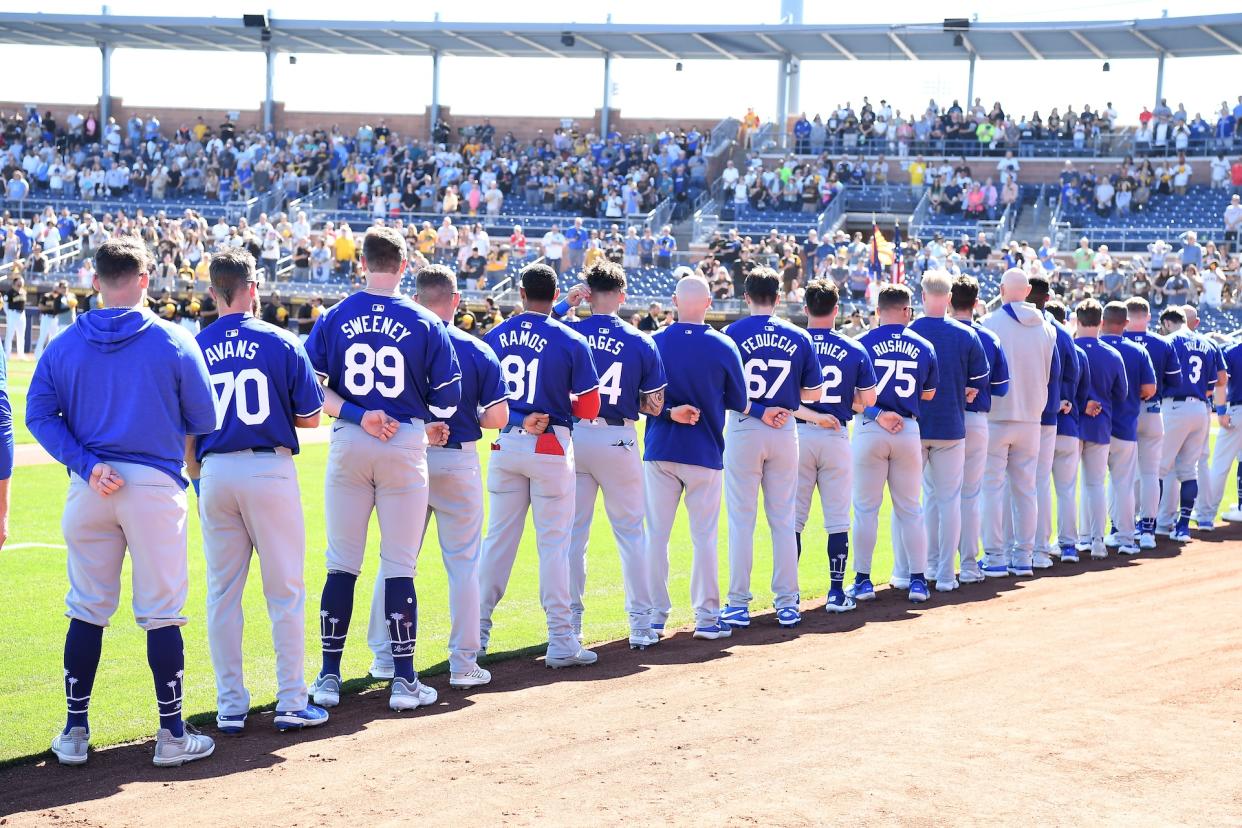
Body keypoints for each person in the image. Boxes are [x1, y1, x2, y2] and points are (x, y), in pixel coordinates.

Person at [26, 237, 218, 767]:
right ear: (145, 278)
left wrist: (87, 463)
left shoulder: (63, 344)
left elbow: (38, 415)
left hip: (90, 486)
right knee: (161, 614)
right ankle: (172, 736)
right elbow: (204, 420)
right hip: (153, 486)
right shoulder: (175, 339)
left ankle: (73, 732)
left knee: (86, 609)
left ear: (94, 280)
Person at [304, 226, 463, 713]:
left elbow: (313, 389)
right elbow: (450, 399)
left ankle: (329, 676)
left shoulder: (335, 315)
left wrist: (357, 413)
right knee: (399, 565)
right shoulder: (424, 320)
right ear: (404, 265)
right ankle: (404, 681)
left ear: (363, 263)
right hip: (404, 440)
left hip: (352, 438)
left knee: (341, 564)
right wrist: (423, 423)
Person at [187, 249, 328, 734]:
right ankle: (291, 700)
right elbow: (310, 417)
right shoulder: (282, 340)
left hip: (214, 471)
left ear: (213, 291)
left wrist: (197, 476)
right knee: (285, 588)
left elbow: (184, 429)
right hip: (268, 468)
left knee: (222, 594)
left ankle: (229, 706)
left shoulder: (194, 346)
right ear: (254, 287)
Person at [364, 264, 508, 690]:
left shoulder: (402, 337)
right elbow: (499, 416)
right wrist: (472, 415)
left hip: (407, 455)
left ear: (415, 297)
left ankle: (385, 658)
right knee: (463, 564)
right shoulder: (476, 347)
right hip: (458, 459)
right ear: (455, 301)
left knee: (395, 560)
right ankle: (463, 662)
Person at [479, 263, 601, 669]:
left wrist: (516, 417)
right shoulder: (569, 337)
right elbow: (589, 406)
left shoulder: (495, 336)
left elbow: (482, 401)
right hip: (550, 444)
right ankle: (561, 640)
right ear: (554, 295)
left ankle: (473, 635)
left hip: (506, 444)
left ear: (520, 291)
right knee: (554, 546)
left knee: (496, 543)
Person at [552, 261, 668, 647]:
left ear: (588, 293)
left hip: (576, 437)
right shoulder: (640, 339)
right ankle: (639, 624)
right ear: (622, 295)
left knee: (573, 536)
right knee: (632, 534)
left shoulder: (569, 330)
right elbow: (653, 406)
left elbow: (541, 328)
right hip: (618, 437)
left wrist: (563, 306)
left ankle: (572, 626)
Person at [645, 275, 748, 640]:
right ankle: (706, 617)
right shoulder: (723, 345)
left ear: (674, 300)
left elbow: (641, 400)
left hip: (660, 449)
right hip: (704, 451)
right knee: (704, 537)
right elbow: (742, 403)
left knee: (656, 535)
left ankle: (654, 617)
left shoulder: (654, 341)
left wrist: (669, 410)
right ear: (708, 303)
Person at [720, 267, 823, 628]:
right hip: (784, 427)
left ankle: (737, 603)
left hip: (746, 426)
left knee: (741, 520)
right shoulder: (799, 336)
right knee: (782, 519)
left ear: (746, 297)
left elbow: (723, 391)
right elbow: (815, 393)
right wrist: (786, 401)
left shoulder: (731, 334)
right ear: (779, 298)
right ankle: (787, 601)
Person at [893, 270, 989, 592]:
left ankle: (907, 571)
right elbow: (977, 386)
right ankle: (946, 574)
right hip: (951, 426)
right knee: (949, 502)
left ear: (922, 297)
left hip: (913, 427)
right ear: (949, 298)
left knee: (909, 503)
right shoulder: (967, 334)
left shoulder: (909, 332)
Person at [848, 284, 939, 604]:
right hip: (907, 428)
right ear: (905, 311)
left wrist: (877, 412)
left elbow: (849, 397)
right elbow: (928, 394)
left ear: (878, 310)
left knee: (865, 510)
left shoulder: (860, 343)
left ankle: (862, 580)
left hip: (870, 428)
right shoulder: (924, 344)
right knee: (910, 509)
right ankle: (917, 580)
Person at [793, 279, 877, 613]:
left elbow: (787, 396)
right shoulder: (854, 348)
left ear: (805, 309)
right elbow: (868, 400)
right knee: (838, 518)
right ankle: (836, 592)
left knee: (794, 519)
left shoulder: (794, 343)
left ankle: (789, 595)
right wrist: (845, 404)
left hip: (797, 434)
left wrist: (812, 416)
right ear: (837, 309)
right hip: (836, 435)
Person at [978, 268, 1059, 577]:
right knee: (1026, 489)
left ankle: (996, 556)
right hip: (1031, 418)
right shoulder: (1048, 328)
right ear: (1027, 291)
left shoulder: (987, 324)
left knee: (992, 489)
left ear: (1001, 289)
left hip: (996, 416)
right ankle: (1024, 556)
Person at [950, 276, 1010, 581]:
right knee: (970, 495)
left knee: (935, 495)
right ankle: (970, 565)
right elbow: (1001, 388)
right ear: (976, 303)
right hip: (976, 419)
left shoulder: (937, 331)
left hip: (939, 420)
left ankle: (932, 566)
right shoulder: (989, 337)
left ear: (949, 301)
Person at [1155, 307, 1225, 542]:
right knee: (1189, 470)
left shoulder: (1170, 341)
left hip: (1173, 406)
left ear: (1167, 322)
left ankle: (1154, 524)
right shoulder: (1206, 343)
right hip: (1201, 408)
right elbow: (1213, 384)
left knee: (1159, 468)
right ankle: (1183, 527)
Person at [1024, 275, 1079, 570]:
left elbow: (1071, 369)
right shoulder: (1057, 329)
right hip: (1047, 415)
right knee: (1040, 483)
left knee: (1020, 483)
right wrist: (1064, 397)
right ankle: (1045, 547)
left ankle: (1028, 548)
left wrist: (1061, 397)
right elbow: (1073, 369)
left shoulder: (1016, 324)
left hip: (1030, 415)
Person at [1069, 300, 1128, 562]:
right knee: (1095, 485)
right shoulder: (1113, 354)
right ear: (1101, 322)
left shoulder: (1069, 348)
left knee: (1066, 486)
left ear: (1077, 320)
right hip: (1101, 424)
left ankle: (1068, 543)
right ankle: (1097, 542)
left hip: (1071, 423)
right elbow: (1123, 394)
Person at [1099, 302, 1156, 557]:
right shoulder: (1137, 350)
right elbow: (1149, 389)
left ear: (1102, 322)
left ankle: (1090, 538)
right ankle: (1126, 538)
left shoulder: (1088, 347)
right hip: (1125, 425)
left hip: (1094, 427)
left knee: (1092, 484)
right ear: (1125, 324)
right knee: (1124, 483)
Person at [1045, 301, 1091, 560]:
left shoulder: (1040, 338)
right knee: (1066, 491)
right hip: (1070, 426)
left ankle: (1037, 546)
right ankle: (1068, 546)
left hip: (1044, 425)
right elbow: (1082, 395)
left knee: (1036, 488)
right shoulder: (1077, 351)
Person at [1201, 335, 1242, 522]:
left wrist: (1222, 410)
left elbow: (1221, 383)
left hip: (1237, 410)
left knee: (1219, 464)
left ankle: (1206, 513)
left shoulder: (1231, 351)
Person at [34, 280, 67, 360]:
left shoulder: (61, 298)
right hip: (46, 317)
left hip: (55, 318)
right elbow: (40, 307)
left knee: (53, 338)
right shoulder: (47, 296)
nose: (57, 288)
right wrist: (52, 307)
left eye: (58, 287)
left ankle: (50, 356)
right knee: (42, 336)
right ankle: (37, 356)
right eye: (56, 287)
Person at [4, 275, 26, 358]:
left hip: (22, 314)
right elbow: (5, 305)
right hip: (12, 314)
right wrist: (9, 314)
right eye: (19, 282)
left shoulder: (23, 291)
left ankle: (21, 354)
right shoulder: (9, 292)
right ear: (14, 283)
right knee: (10, 334)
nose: (20, 284)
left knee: (21, 335)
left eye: (21, 282)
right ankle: (7, 354)